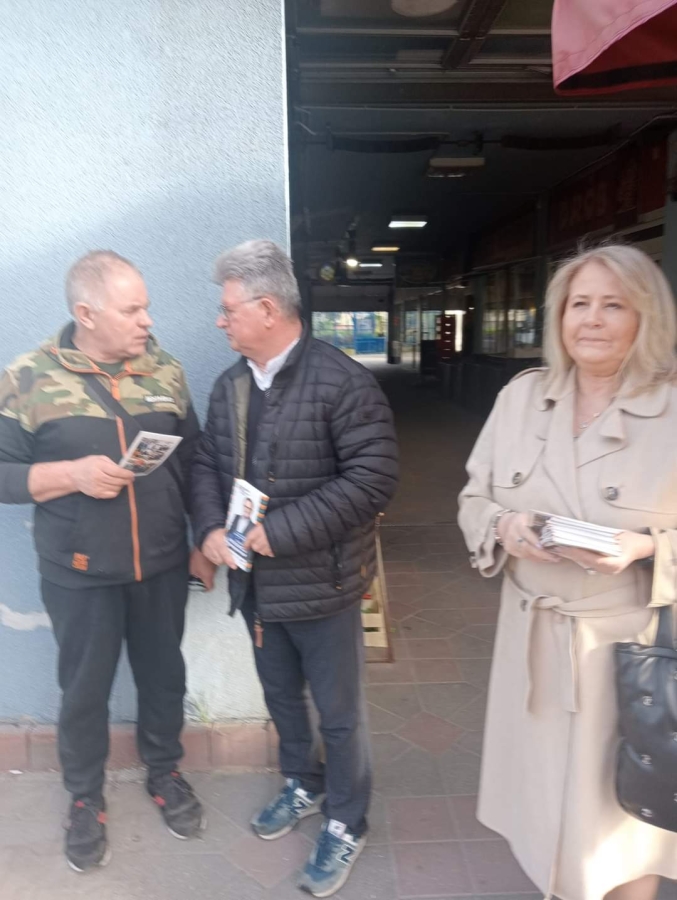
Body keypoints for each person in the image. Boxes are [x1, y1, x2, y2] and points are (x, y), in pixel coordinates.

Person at [458, 244, 677, 900]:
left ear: (646, 317)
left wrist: (645, 549)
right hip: (532, 644)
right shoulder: (522, 397)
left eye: (613, 305)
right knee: (543, 808)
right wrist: (504, 526)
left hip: (628, 651)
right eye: (579, 304)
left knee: (620, 823)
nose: (592, 319)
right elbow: (473, 498)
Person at [192, 239, 398, 897]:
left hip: (325, 585)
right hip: (256, 585)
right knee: (281, 697)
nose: (220, 321)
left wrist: (276, 534)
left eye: (229, 309)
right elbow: (206, 464)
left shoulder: (342, 381)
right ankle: (302, 784)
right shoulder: (229, 386)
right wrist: (210, 530)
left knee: (339, 715)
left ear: (268, 309)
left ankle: (346, 819)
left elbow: (372, 479)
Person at [0, 251, 214, 873]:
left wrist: (203, 539)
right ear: (86, 314)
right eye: (132, 309)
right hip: (78, 572)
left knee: (164, 677)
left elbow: (196, 461)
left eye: (146, 307)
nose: (148, 320)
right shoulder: (27, 377)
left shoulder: (166, 371)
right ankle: (84, 798)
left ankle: (164, 772)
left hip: (163, 564)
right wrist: (70, 474)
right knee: (84, 690)